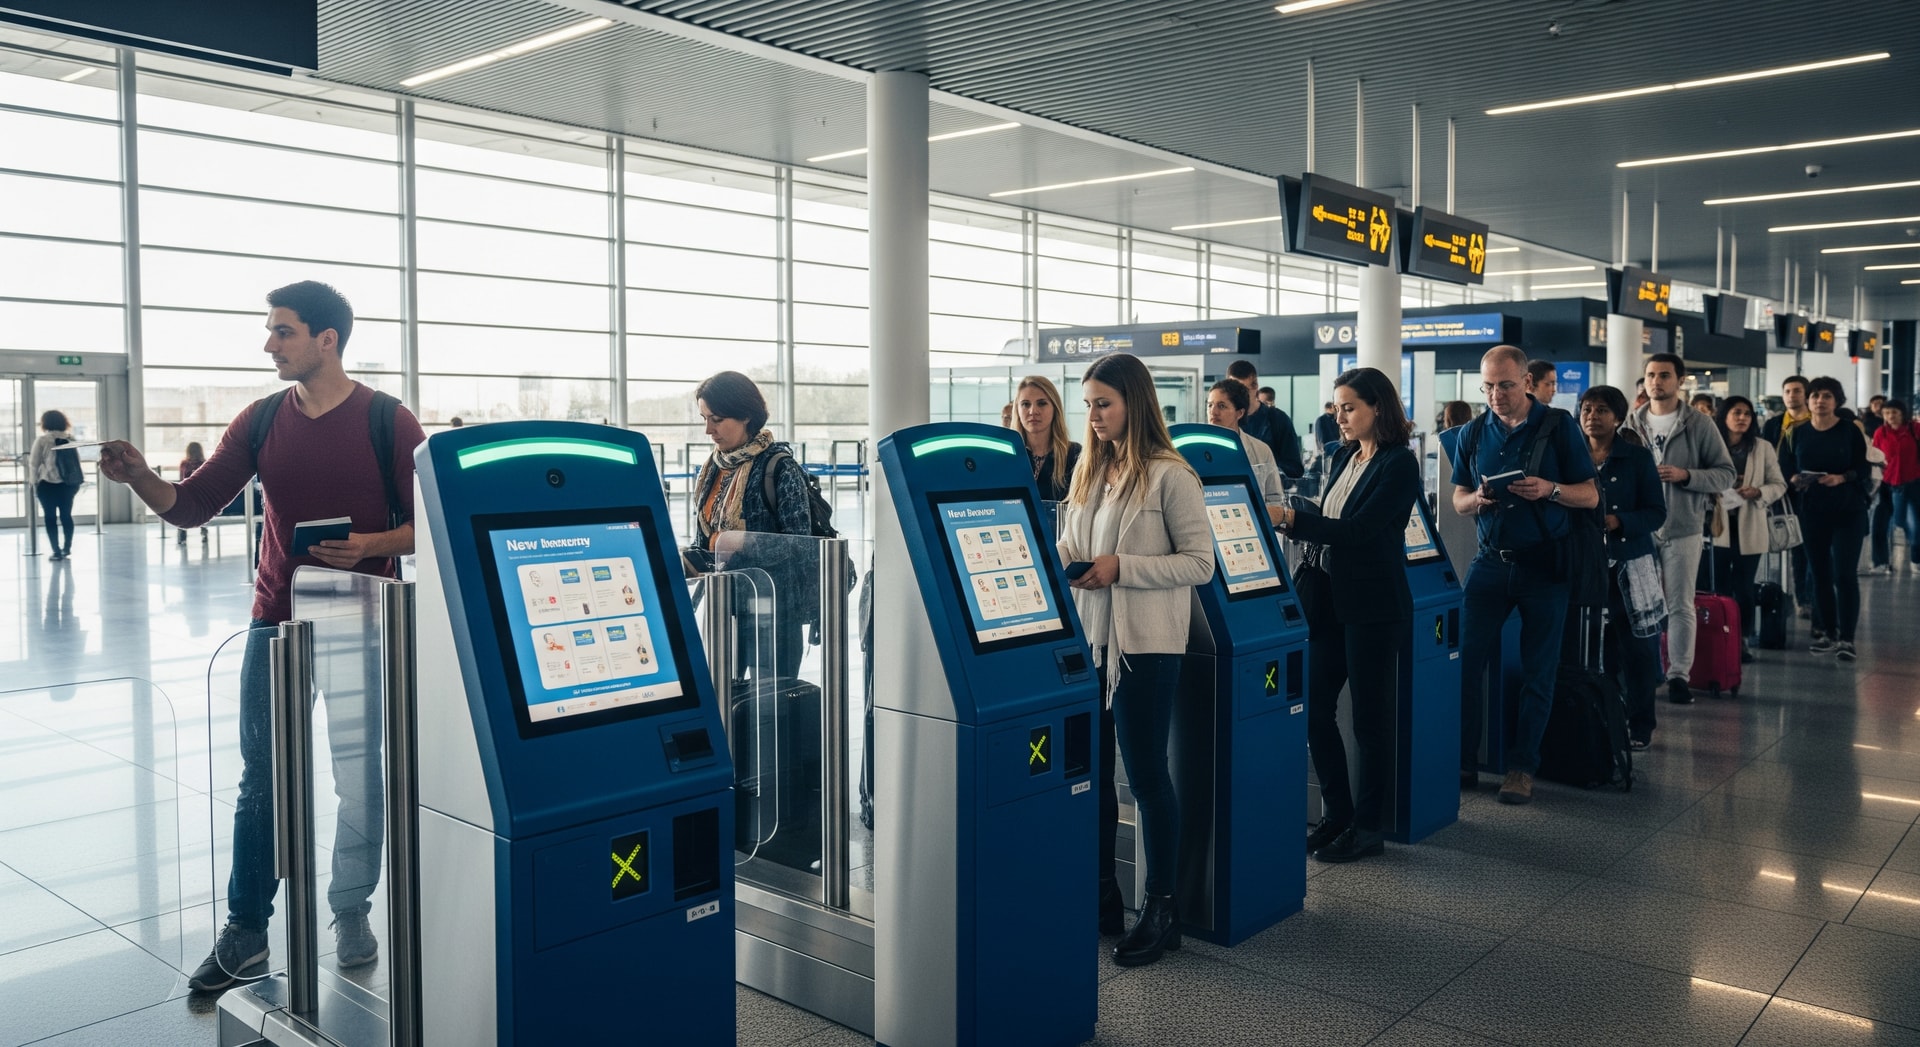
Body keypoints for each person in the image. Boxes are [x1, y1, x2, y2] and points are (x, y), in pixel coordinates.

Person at [97, 281, 424, 992]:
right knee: (260, 778)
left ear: (327, 339)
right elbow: (193, 506)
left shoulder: (389, 422)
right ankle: (247, 929)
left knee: (358, 776)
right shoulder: (261, 419)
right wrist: (141, 478)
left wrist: (372, 540)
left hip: (362, 619)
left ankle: (350, 907)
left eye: (283, 331)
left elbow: (428, 522)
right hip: (274, 618)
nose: (268, 343)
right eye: (271, 331)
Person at [1056, 352, 1212, 967]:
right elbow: (1071, 541)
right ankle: (1102, 895)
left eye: (1104, 404)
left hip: (1145, 647)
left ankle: (1162, 908)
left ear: (1134, 404)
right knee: (1090, 775)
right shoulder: (1089, 472)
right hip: (1091, 644)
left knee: (1146, 778)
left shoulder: (1171, 475)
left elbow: (1200, 564)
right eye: (1089, 404)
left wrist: (1123, 568)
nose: (1092, 416)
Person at [1270, 367, 1419, 863]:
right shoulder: (1342, 456)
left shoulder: (1399, 465)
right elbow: (1333, 519)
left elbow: (1358, 531)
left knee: (1370, 723)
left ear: (1379, 407)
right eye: (1336, 407)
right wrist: (1299, 512)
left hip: (1373, 607)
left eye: (1349, 406)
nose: (1340, 416)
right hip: (1328, 597)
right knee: (1315, 707)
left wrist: (1293, 519)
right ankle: (1337, 814)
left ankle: (1368, 825)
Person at [1452, 345, 1598, 806]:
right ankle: (1463, 759)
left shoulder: (1558, 428)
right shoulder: (1473, 432)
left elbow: (1590, 496)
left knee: (1539, 671)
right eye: (1488, 386)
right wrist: (1477, 499)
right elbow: (1457, 499)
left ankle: (1522, 767)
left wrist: (1550, 490)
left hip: (1544, 565)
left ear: (1528, 382)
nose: (1496, 395)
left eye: (1506, 385)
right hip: (1490, 563)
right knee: (1463, 664)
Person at [687, 370, 816, 680]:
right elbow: (706, 541)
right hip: (723, 610)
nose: (708, 430)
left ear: (745, 415)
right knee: (723, 704)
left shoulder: (779, 467)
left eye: (716, 419)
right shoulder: (712, 470)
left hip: (771, 614)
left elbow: (800, 544)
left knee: (769, 712)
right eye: (704, 418)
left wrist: (743, 541)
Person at [1623, 353, 1734, 704]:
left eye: (1665, 375)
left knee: (1680, 604)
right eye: (1651, 375)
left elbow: (1726, 473)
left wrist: (1687, 476)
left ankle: (1679, 676)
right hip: (1641, 527)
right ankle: (1648, 670)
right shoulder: (1632, 423)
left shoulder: (1698, 424)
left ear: (1680, 380)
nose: (1657, 381)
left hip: (1683, 525)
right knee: (1641, 603)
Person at [1578, 386, 1666, 749]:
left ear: (1617, 417)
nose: (1592, 416)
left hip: (1631, 566)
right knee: (1597, 651)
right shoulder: (1571, 456)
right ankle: (1602, 717)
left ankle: (1640, 724)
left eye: (1601, 410)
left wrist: (1619, 522)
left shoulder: (1637, 458)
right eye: (1586, 409)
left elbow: (1656, 513)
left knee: (1638, 651)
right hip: (1585, 566)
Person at [1778, 376, 1871, 661]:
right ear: (1808, 400)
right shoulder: (1797, 432)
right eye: (1816, 395)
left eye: (1827, 396)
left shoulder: (1849, 430)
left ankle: (1847, 638)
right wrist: (1796, 479)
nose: (1820, 400)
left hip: (1847, 511)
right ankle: (1828, 633)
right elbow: (1786, 469)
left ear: (1837, 400)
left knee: (1844, 574)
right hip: (1812, 511)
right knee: (1819, 575)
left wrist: (1842, 477)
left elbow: (1863, 468)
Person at [1708, 396, 1788, 667]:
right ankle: (1718, 636)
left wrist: (1759, 492)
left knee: (1743, 587)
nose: (1742, 418)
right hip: (1716, 525)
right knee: (1717, 585)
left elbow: (1779, 484)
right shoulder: (1711, 443)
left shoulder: (1762, 447)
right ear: (1724, 416)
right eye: (1736, 412)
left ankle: (1741, 639)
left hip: (1749, 523)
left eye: (1747, 414)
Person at [1206, 379, 1283, 503]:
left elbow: (1274, 499)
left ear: (1240, 413)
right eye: (1210, 405)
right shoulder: (1194, 447)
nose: (1213, 412)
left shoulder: (1261, 451)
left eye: (1221, 406)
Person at [1227, 359, 1303, 479]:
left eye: (1243, 390)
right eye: (1233, 390)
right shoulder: (1226, 420)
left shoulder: (1278, 420)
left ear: (1255, 387)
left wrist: (1264, 466)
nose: (1238, 396)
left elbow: (1295, 469)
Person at [1014, 375, 1082, 502]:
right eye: (1025, 404)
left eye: (1042, 403)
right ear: (1017, 410)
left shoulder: (1074, 454)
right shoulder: (1009, 455)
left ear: (1055, 408)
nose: (1033, 411)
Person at [29, 409, 83, 561]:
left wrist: (33, 483)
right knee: (66, 515)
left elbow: (34, 464)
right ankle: (67, 548)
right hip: (68, 485)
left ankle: (56, 551)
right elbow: (76, 463)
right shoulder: (70, 439)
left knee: (50, 517)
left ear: (45, 423)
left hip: (47, 485)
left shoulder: (42, 440)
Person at [1873, 400, 1920, 573]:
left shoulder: (1915, 430)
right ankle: (1880, 562)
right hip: (1888, 483)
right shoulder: (1881, 433)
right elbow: (1875, 457)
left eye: (1894, 412)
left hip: (1913, 482)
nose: (1890, 416)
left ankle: (1917, 559)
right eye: (1886, 413)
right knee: (1880, 523)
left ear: (1902, 413)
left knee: (1912, 523)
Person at [177, 441, 207, 544]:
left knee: (182, 513)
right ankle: (204, 531)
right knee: (203, 511)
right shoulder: (205, 463)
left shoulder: (184, 464)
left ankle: (182, 535)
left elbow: (181, 479)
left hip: (187, 493)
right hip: (202, 495)